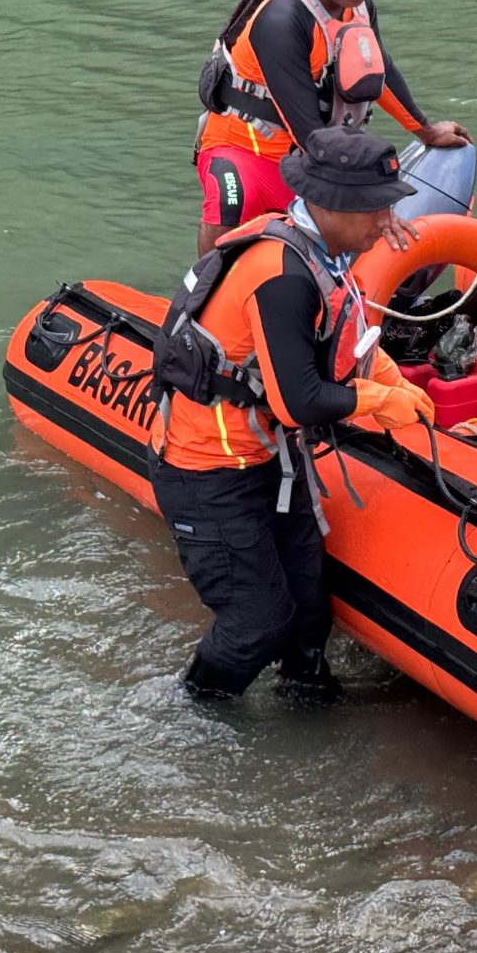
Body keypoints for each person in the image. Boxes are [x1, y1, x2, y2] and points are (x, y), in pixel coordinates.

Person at [150, 126, 439, 699]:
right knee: (258, 625)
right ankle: (195, 712)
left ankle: (310, 704)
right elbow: (299, 401)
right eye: (377, 208)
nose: (388, 221)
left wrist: (390, 377)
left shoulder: (325, 252)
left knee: (308, 612)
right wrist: (381, 400)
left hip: (270, 459)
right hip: (208, 470)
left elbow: (345, 336)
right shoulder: (281, 273)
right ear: (330, 205)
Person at [193, 0, 471, 256]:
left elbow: (379, 72)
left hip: (310, 150)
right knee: (231, 200)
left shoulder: (359, 6)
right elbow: (309, 132)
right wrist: (375, 205)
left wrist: (426, 132)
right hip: (246, 151)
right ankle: (206, 283)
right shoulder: (281, 19)